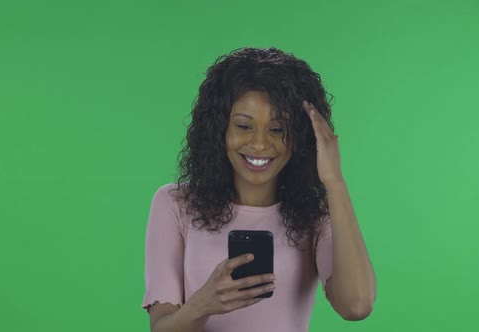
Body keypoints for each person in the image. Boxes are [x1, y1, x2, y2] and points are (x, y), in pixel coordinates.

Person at [142, 47, 376, 332]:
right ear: (219, 130)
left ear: (300, 137)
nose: (260, 144)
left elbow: (357, 306)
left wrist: (334, 181)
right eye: (244, 126)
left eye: (277, 129)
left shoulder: (315, 215)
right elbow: (161, 328)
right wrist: (202, 304)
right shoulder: (175, 204)